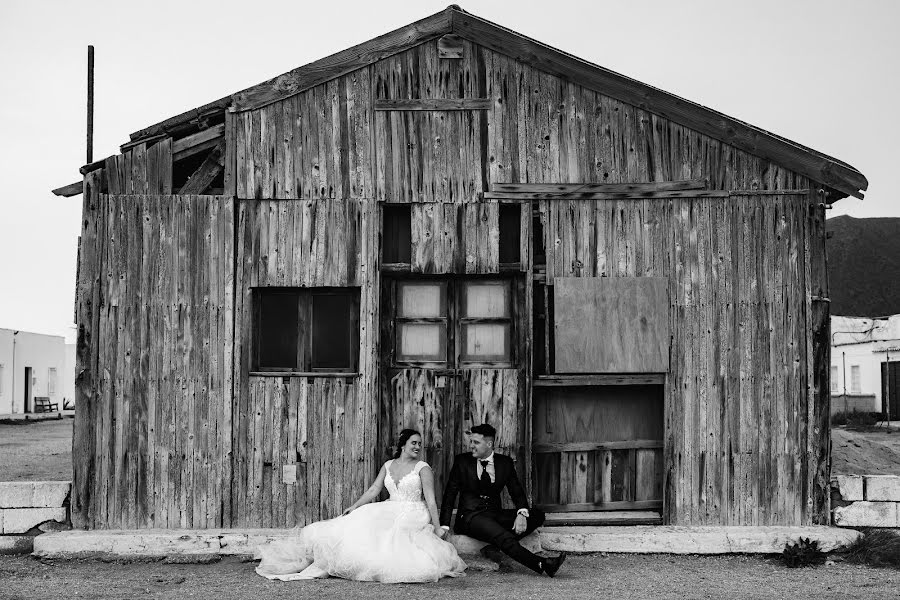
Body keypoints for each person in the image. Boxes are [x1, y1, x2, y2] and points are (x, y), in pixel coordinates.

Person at [256, 429, 467, 583]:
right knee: (359, 521)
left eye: (419, 444)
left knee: (393, 535)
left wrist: (438, 526)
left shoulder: (423, 468)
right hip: (391, 506)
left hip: (414, 511)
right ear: (403, 444)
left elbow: (431, 500)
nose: (418, 447)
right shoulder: (388, 465)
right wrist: (355, 506)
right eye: (414, 443)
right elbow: (374, 490)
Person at [440, 423, 566, 577]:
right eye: (471, 441)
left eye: (476, 442)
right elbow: (449, 495)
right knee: (501, 534)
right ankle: (542, 564)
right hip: (469, 516)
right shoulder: (462, 461)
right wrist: (444, 526)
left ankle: (494, 547)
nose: (471, 446)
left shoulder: (504, 463)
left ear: (489, 444)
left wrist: (522, 513)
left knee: (537, 515)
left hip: (494, 513)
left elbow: (516, 491)